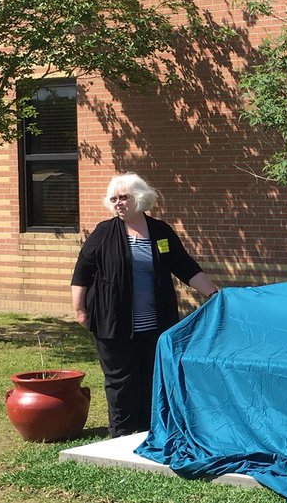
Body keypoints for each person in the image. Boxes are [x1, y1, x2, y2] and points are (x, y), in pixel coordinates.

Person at [71, 173, 219, 437]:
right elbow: (82, 271)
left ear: (139, 198)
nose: (118, 203)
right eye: (114, 199)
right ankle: (122, 434)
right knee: (121, 381)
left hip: (155, 325)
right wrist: (80, 310)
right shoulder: (104, 233)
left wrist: (213, 293)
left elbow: (184, 266)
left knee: (152, 377)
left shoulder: (160, 232)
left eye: (124, 197)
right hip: (112, 324)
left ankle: (150, 431)